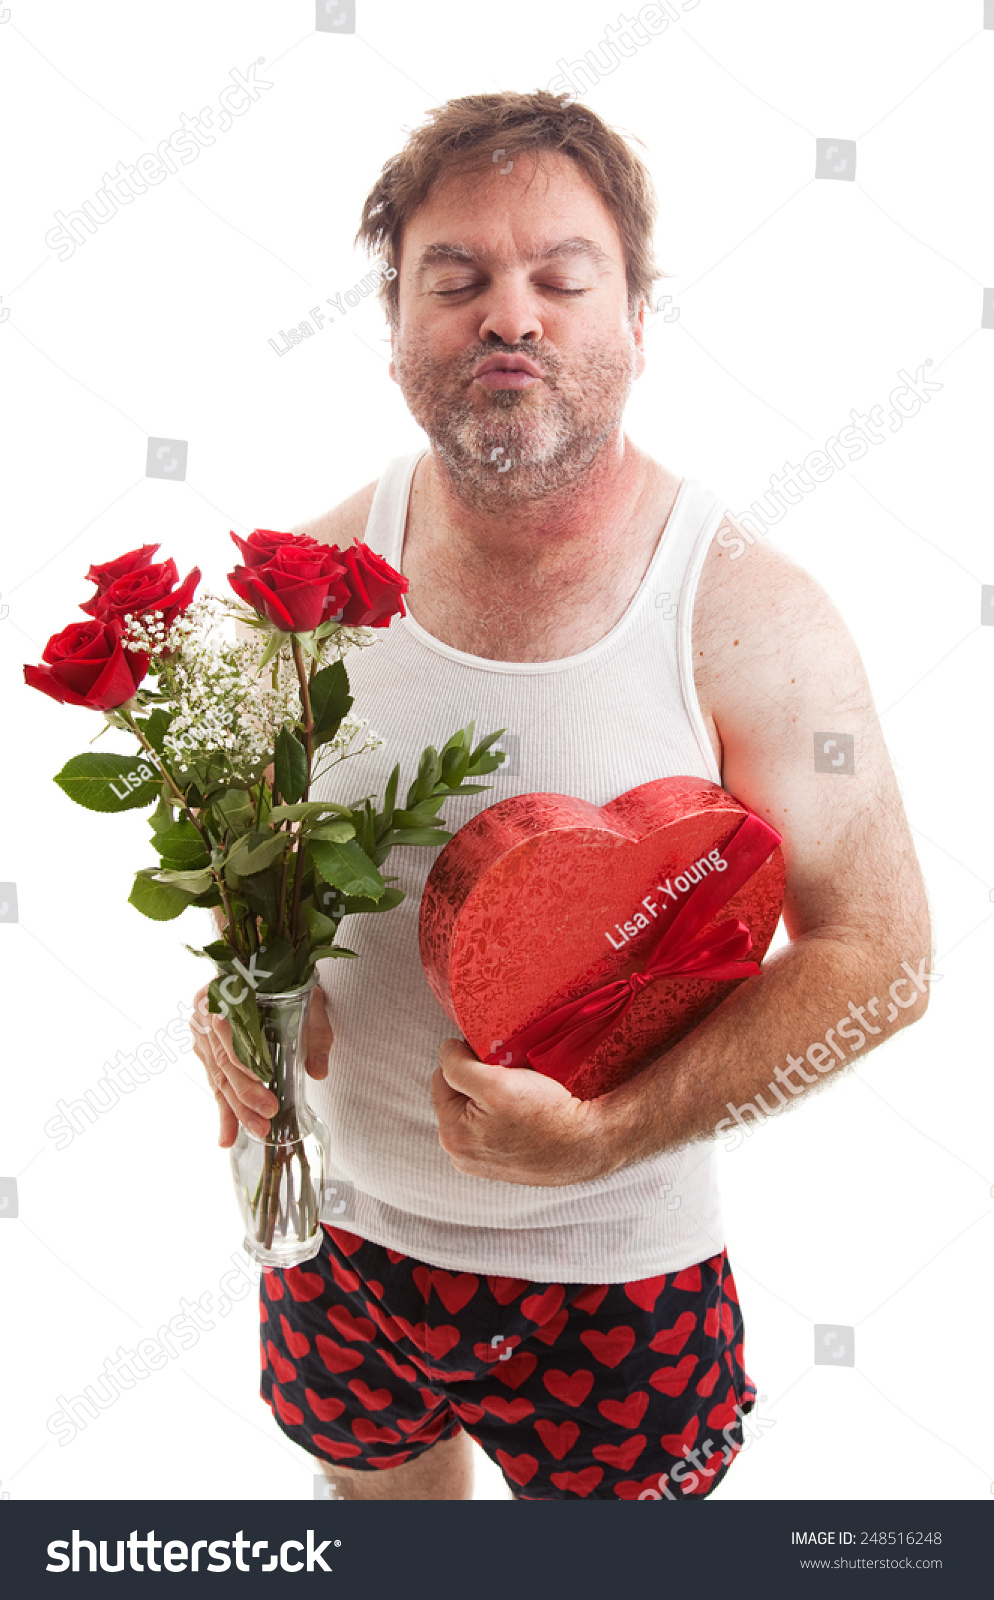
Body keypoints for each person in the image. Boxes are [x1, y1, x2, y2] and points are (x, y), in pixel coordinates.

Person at [189, 91, 931, 1501]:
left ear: (634, 321)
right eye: (454, 279)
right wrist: (233, 1001)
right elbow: (254, 873)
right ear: (397, 325)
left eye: (559, 279)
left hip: (617, 1277)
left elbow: (881, 963)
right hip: (345, 1240)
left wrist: (606, 1135)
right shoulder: (309, 578)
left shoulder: (747, 616)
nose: (505, 316)